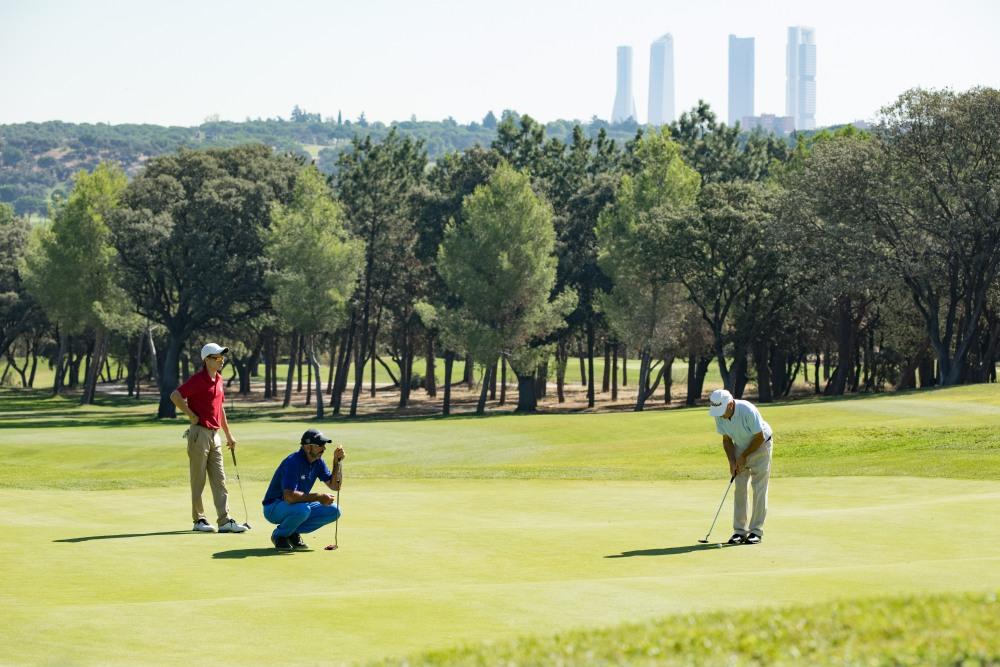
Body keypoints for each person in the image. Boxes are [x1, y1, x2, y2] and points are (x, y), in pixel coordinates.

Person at [169, 342, 247, 534]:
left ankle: (224, 520)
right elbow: (175, 395)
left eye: (222, 357)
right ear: (207, 360)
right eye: (217, 357)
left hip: (215, 435)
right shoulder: (198, 380)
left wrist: (229, 434)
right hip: (199, 434)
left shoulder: (219, 380)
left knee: (220, 479)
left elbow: (220, 409)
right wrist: (190, 415)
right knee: (198, 479)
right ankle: (200, 520)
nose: (221, 360)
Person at [708, 388, 773, 545]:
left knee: (759, 487)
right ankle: (739, 531)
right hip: (739, 447)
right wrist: (732, 461)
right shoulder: (719, 415)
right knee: (740, 488)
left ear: (730, 404)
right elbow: (726, 440)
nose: (721, 414)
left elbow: (759, 437)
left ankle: (756, 531)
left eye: (723, 410)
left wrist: (743, 456)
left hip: (761, 446)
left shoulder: (747, 410)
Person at [262, 428, 345, 551]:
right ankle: (279, 536)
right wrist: (318, 497)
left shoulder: (318, 462)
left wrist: (336, 462)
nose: (323, 449)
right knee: (303, 509)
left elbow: (335, 486)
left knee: (334, 510)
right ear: (307, 447)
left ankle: (292, 532)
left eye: (324, 445)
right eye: (319, 445)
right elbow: (289, 497)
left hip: (297, 505)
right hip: (274, 507)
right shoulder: (293, 462)